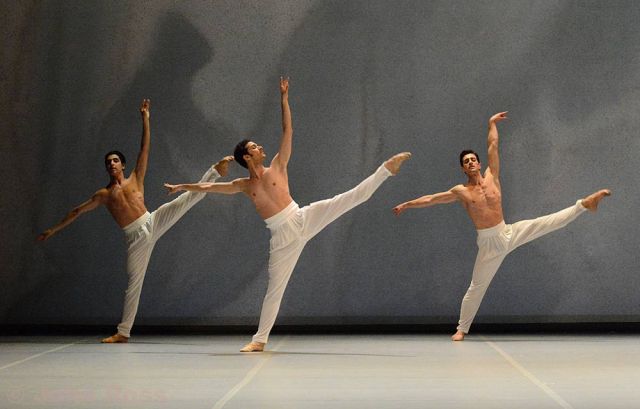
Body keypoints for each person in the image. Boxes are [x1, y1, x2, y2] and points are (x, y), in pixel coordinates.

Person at [165, 78, 411, 351]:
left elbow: (288, 130)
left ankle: (386, 169)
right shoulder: (244, 185)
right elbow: (208, 187)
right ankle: (259, 341)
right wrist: (181, 186)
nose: (261, 148)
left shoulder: (278, 165)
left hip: (301, 217)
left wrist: (284, 99)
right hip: (281, 236)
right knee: (275, 289)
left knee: (351, 197)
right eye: (255, 147)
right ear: (246, 157)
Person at [393, 111, 610, 341]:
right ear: (463, 169)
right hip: (488, 244)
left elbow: (493, 145)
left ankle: (584, 205)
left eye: (473, 159)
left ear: (478, 163)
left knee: (548, 223)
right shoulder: (461, 191)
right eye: (466, 162)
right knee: (476, 288)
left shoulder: (492, 176)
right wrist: (407, 204)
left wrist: (491, 124)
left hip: (507, 232)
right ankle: (461, 329)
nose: (470, 162)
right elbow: (432, 199)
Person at [37, 99, 233, 343]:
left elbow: (144, 149)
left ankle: (215, 170)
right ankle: (123, 332)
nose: (111, 164)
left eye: (115, 160)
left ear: (122, 165)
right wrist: (53, 230)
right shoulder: (104, 194)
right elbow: (77, 211)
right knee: (134, 284)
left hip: (151, 221)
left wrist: (145, 119)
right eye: (108, 162)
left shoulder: (135, 178)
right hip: (135, 238)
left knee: (187, 199)